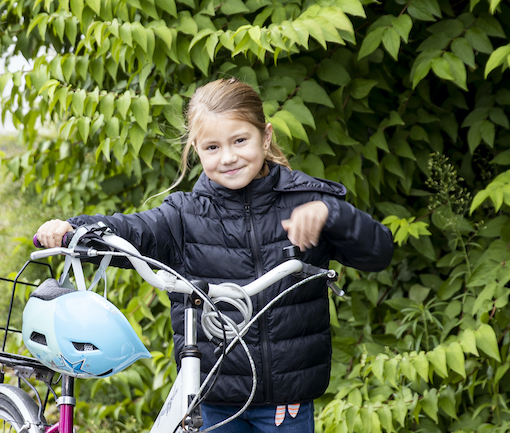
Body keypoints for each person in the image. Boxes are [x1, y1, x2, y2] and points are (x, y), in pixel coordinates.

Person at [33, 78, 393, 433]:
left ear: (265, 136)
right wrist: (73, 229)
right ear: (196, 149)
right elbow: (133, 231)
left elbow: (378, 253)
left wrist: (334, 215)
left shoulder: (305, 202)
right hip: (212, 397)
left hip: (287, 400)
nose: (229, 157)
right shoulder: (184, 214)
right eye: (212, 147)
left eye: (240, 140)